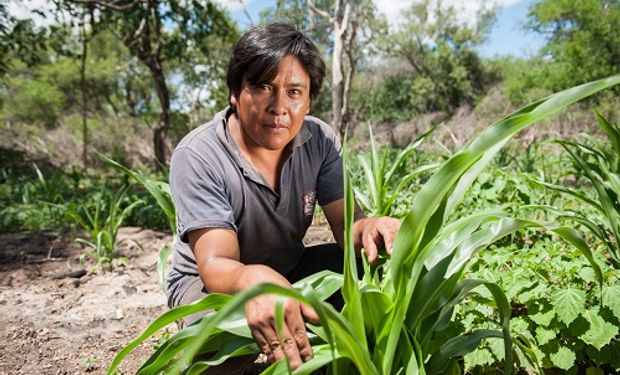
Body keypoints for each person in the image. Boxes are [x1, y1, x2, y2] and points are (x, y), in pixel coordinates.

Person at [167, 23, 401, 373]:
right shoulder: (200, 154)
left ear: (308, 100)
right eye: (263, 87)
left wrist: (371, 227)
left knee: (368, 274)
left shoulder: (319, 141)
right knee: (222, 340)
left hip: (289, 268)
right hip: (212, 284)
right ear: (235, 92)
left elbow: (346, 227)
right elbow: (216, 263)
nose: (279, 107)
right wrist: (252, 281)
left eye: (294, 91)